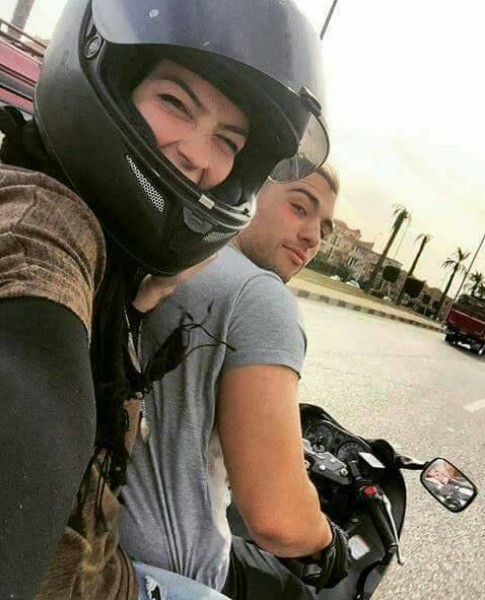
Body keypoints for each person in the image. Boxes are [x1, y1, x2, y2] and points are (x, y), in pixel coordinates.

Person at [0, 0, 330, 598]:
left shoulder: (121, 267)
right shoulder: (45, 225)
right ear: (106, 73)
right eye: (176, 103)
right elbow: (29, 376)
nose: (199, 157)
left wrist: (137, 302)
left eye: (227, 141)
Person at [119, 165, 350, 599]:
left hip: (96, 536)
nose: (312, 238)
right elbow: (278, 520)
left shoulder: (167, 253)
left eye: (324, 229)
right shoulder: (260, 295)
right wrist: (329, 541)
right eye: (299, 208)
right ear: (247, 191)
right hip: (167, 574)